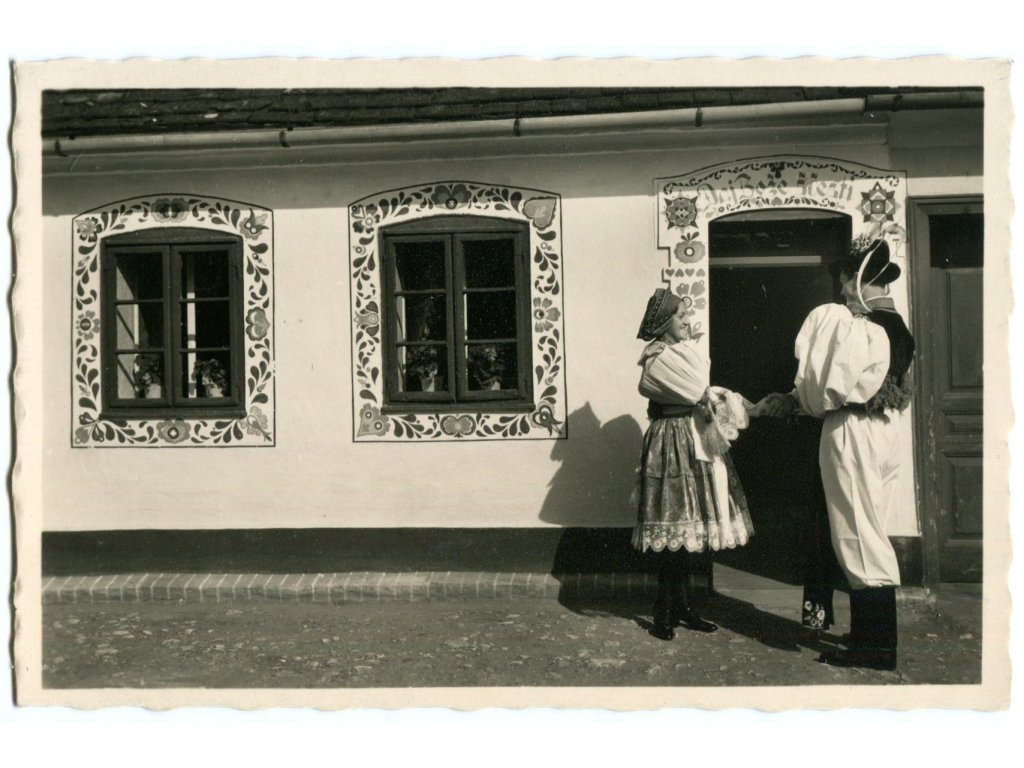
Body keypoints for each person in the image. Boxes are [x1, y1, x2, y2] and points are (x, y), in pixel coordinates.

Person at [761, 237, 915, 670]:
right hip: (883, 431)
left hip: (853, 430)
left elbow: (828, 387)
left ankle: (877, 647)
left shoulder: (858, 326)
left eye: (846, 280)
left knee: (856, 532)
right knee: (870, 527)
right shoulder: (897, 325)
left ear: (860, 279)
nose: (843, 290)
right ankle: (869, 633)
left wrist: (798, 401)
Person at [633, 287, 757, 640]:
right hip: (671, 441)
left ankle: (684, 606)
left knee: (692, 527)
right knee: (674, 522)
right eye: (681, 317)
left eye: (687, 315)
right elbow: (699, 390)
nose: (687, 322)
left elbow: (702, 390)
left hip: (692, 437)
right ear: (665, 324)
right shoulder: (658, 358)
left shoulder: (683, 353)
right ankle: (663, 608)